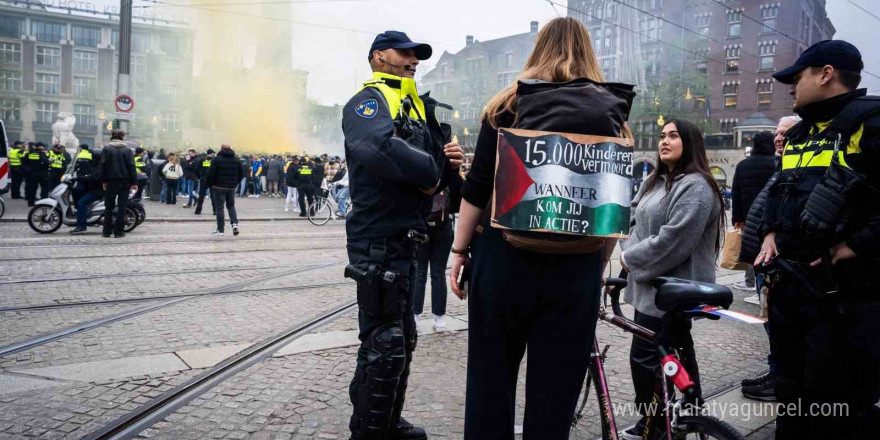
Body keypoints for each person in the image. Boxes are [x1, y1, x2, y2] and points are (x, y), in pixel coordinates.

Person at [448, 18, 629, 439]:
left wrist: (458, 252)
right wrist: (597, 262)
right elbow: (612, 202)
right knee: (556, 390)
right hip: (575, 268)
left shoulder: (507, 104)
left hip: (503, 260)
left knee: (490, 380)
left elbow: (477, 186)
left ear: (538, 50)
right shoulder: (612, 113)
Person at [754, 40, 880, 439]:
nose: (790, 88)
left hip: (847, 299)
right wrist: (771, 231)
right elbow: (780, 192)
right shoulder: (799, 133)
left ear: (826, 74)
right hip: (794, 292)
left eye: (797, 78)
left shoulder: (871, 124)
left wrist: (855, 246)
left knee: (837, 405)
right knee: (792, 396)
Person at [343, 29, 463, 440]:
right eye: (404, 52)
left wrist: (450, 163)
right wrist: (432, 172)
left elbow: (438, 178)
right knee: (385, 342)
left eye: (417, 55)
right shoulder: (368, 101)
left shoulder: (415, 107)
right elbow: (375, 146)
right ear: (379, 57)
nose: (413, 59)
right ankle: (368, 431)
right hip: (376, 235)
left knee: (403, 338)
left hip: (409, 235)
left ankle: (387, 422)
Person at [618, 120, 724, 439]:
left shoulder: (697, 186)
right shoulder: (654, 181)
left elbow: (674, 239)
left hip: (673, 293)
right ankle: (663, 419)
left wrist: (629, 258)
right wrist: (631, 250)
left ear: (689, 143)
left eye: (673, 136)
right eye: (662, 136)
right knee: (665, 357)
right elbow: (633, 221)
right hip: (649, 290)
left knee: (652, 359)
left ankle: (663, 424)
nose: (664, 141)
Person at [738, 115, 800, 403]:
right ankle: (776, 371)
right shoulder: (780, 166)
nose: (779, 137)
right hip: (765, 258)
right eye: (777, 132)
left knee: (776, 321)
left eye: (785, 132)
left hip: (778, 261)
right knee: (769, 320)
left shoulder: (797, 168)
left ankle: (781, 377)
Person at [730, 132, 777, 301]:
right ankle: (767, 288)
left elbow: (736, 193)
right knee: (770, 252)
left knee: (752, 250)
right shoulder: (777, 163)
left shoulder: (743, 165)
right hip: (771, 217)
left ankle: (755, 285)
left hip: (749, 216)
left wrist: (738, 218)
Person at [413, 171, 462, 332]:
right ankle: (440, 319)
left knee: (419, 272)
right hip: (444, 226)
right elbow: (458, 203)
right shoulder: (451, 175)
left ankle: (415, 317)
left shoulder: (420, 170)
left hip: (421, 225)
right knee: (438, 274)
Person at [100, 130, 137, 238]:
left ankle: (106, 231)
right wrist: (134, 182)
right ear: (122, 138)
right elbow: (131, 167)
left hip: (110, 181)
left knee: (108, 207)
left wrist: (103, 181)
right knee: (122, 207)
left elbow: (102, 167)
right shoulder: (127, 150)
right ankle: (118, 232)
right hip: (125, 182)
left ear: (112, 137)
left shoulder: (106, 149)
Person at [206, 144, 243, 236]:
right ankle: (234, 224)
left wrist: (210, 184)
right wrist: (235, 183)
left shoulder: (216, 159)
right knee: (231, 206)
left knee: (220, 208)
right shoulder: (236, 160)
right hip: (231, 187)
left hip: (218, 187)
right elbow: (241, 174)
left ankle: (220, 229)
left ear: (221, 149)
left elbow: (211, 173)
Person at [69, 145, 103, 234]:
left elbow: (92, 178)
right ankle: (82, 214)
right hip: (92, 188)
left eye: (92, 155)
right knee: (76, 192)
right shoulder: (94, 165)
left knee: (81, 203)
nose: (91, 156)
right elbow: (86, 174)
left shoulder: (99, 167)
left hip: (97, 190)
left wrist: (79, 178)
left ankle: (81, 226)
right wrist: (75, 177)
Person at [194, 149, 215, 215]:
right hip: (212, 180)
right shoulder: (214, 160)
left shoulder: (202, 160)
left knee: (201, 195)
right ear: (211, 153)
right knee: (213, 196)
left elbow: (196, 169)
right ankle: (215, 211)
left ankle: (198, 211)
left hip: (203, 179)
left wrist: (199, 176)